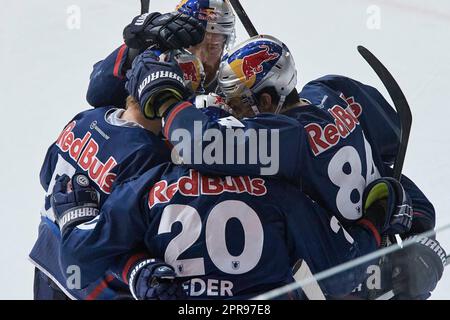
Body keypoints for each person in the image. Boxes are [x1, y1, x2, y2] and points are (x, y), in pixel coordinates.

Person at [134, 34, 444, 299]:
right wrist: (417, 217)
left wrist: (166, 100)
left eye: (240, 103)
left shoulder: (284, 140)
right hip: (382, 256)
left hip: (348, 277)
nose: (236, 113)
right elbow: (388, 146)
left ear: (267, 101)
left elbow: (201, 146)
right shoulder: (334, 91)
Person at [29, 48, 205, 300]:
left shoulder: (86, 117)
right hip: (93, 287)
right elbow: (129, 231)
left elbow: (46, 175)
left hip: (46, 261)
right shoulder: (150, 154)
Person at [86, 0, 235, 109]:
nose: (202, 58)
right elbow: (96, 94)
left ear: (224, 47)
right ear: (174, 38)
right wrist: (135, 49)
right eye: (192, 44)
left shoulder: (232, 85)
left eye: (213, 47)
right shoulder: (152, 61)